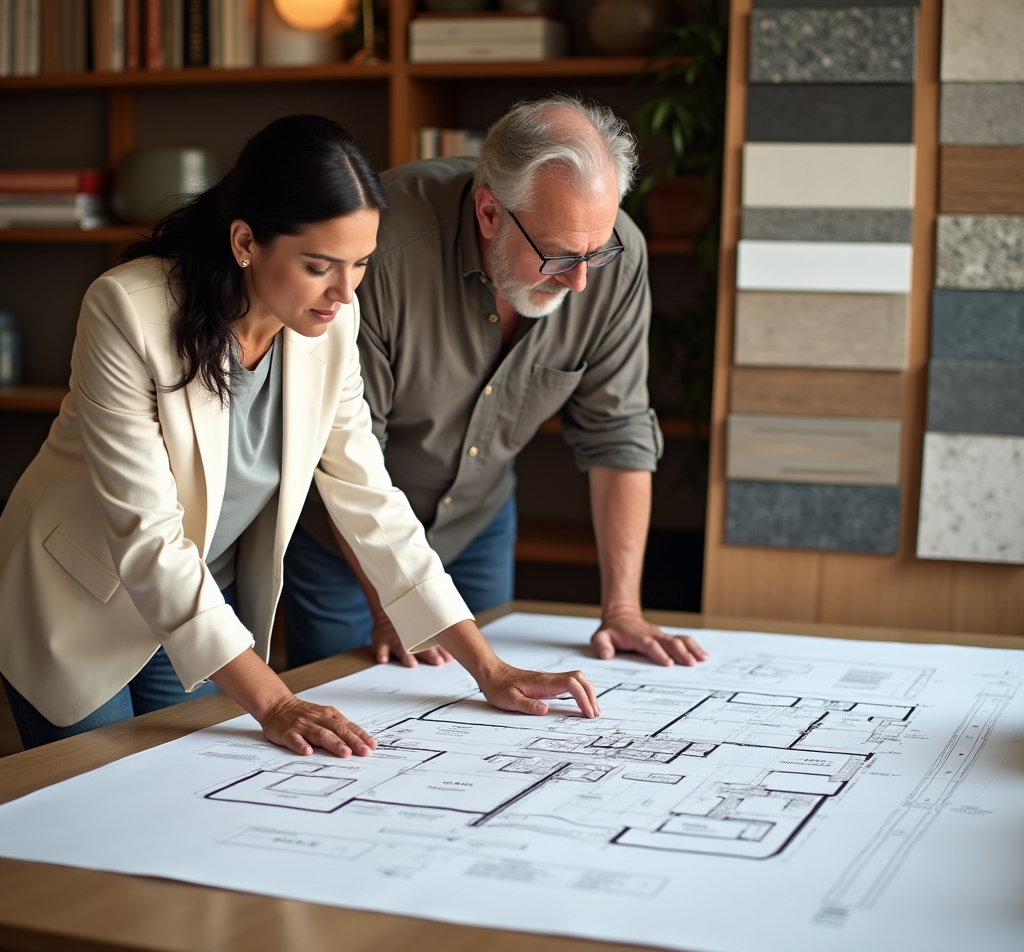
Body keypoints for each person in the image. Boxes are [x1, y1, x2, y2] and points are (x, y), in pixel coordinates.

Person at [0, 115, 599, 753]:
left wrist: (490, 668)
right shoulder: (126, 310)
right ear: (245, 242)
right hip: (83, 597)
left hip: (205, 603)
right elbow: (149, 538)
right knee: (100, 804)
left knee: (183, 797)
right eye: (319, 265)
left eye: (361, 264)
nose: (344, 292)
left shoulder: (331, 323)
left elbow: (371, 496)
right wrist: (278, 703)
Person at [284, 97, 708, 671]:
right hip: (347, 534)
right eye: (558, 257)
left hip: (477, 523)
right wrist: (394, 610)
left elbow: (620, 433)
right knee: (346, 715)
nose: (582, 282)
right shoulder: (380, 251)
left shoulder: (616, 259)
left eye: (595, 252)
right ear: (489, 213)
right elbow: (346, 455)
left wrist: (623, 609)